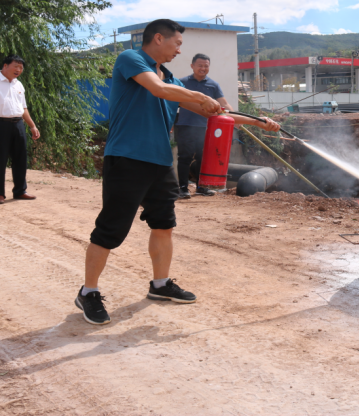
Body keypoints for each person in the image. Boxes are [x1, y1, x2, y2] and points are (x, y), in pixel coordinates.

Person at [76, 19, 279, 325]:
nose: (179, 50)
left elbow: (213, 113)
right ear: (158, 38)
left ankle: (160, 285)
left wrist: (256, 122)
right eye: (177, 44)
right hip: (126, 158)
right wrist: (198, 96)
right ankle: (88, 292)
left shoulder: (174, 80)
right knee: (111, 229)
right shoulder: (131, 59)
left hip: (159, 163)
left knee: (164, 224)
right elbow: (158, 90)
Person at [0, 55, 41, 205]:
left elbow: (23, 108)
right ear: (5, 66)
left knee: (20, 158)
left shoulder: (18, 85)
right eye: (16, 66)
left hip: (17, 124)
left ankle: (20, 191)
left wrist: (32, 126)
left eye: (21, 67)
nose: (18, 70)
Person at [174, 53, 233, 199]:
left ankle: (202, 187)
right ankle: (182, 188)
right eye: (200, 65)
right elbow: (172, 102)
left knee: (203, 158)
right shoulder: (182, 82)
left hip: (205, 128)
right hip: (184, 125)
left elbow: (224, 104)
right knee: (184, 158)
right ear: (192, 66)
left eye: (206, 66)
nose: (203, 68)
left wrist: (235, 118)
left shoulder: (213, 85)